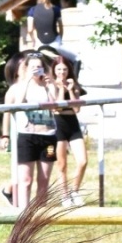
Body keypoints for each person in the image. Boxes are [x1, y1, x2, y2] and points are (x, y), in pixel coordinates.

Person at [1, 52, 56, 208]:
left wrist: (48, 85)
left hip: (49, 138)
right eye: (33, 67)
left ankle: (39, 213)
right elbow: (18, 104)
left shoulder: (48, 85)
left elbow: (55, 105)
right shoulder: (19, 87)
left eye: (39, 67)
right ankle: (24, 214)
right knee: (25, 180)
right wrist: (27, 82)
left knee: (44, 179)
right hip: (27, 137)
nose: (36, 70)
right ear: (25, 69)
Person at [48, 56, 87, 206]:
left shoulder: (74, 85)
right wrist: (60, 88)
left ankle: (74, 191)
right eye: (59, 69)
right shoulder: (52, 85)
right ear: (54, 70)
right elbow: (56, 107)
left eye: (64, 69)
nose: (62, 72)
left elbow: (76, 108)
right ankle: (64, 195)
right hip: (59, 124)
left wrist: (70, 90)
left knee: (82, 161)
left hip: (73, 124)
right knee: (62, 164)